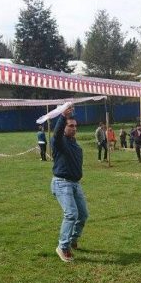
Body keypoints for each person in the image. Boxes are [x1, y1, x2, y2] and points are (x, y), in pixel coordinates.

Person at [51, 106, 88, 262]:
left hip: (75, 184)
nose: (74, 128)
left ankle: (73, 239)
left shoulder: (75, 145)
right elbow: (56, 135)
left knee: (83, 215)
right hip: (62, 183)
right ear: (64, 127)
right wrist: (62, 117)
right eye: (70, 126)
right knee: (71, 214)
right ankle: (63, 247)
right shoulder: (60, 142)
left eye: (75, 126)